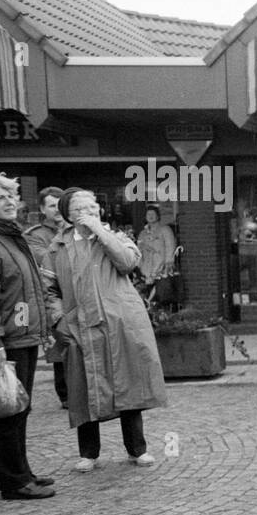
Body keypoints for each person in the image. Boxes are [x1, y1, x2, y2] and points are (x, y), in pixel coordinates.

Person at [43, 188, 167, 472]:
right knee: (84, 388)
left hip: (118, 321)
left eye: (94, 205)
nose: (92, 210)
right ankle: (89, 453)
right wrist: (60, 319)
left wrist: (100, 231)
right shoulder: (56, 247)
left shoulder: (114, 237)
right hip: (79, 325)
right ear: (70, 215)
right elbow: (48, 290)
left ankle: (137, 449)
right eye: (83, 207)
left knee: (128, 383)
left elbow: (128, 262)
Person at [0, 174, 54, 498]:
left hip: (22, 336)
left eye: (10, 196)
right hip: (5, 340)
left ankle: (22, 472)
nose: (8, 202)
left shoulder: (11, 236)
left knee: (20, 406)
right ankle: (12, 482)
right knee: (8, 409)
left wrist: (42, 329)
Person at [23, 186, 69, 408]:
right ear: (42, 209)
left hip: (79, 295)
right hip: (54, 297)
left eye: (60, 204)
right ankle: (66, 394)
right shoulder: (35, 236)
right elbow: (48, 261)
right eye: (52, 205)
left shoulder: (78, 228)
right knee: (61, 347)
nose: (57, 209)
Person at [136, 204, 179, 306]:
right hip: (146, 269)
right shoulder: (142, 233)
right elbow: (138, 251)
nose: (150, 216)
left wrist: (168, 264)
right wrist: (140, 266)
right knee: (146, 294)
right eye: (148, 214)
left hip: (161, 267)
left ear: (158, 216)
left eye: (153, 214)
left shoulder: (165, 230)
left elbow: (170, 247)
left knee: (162, 295)